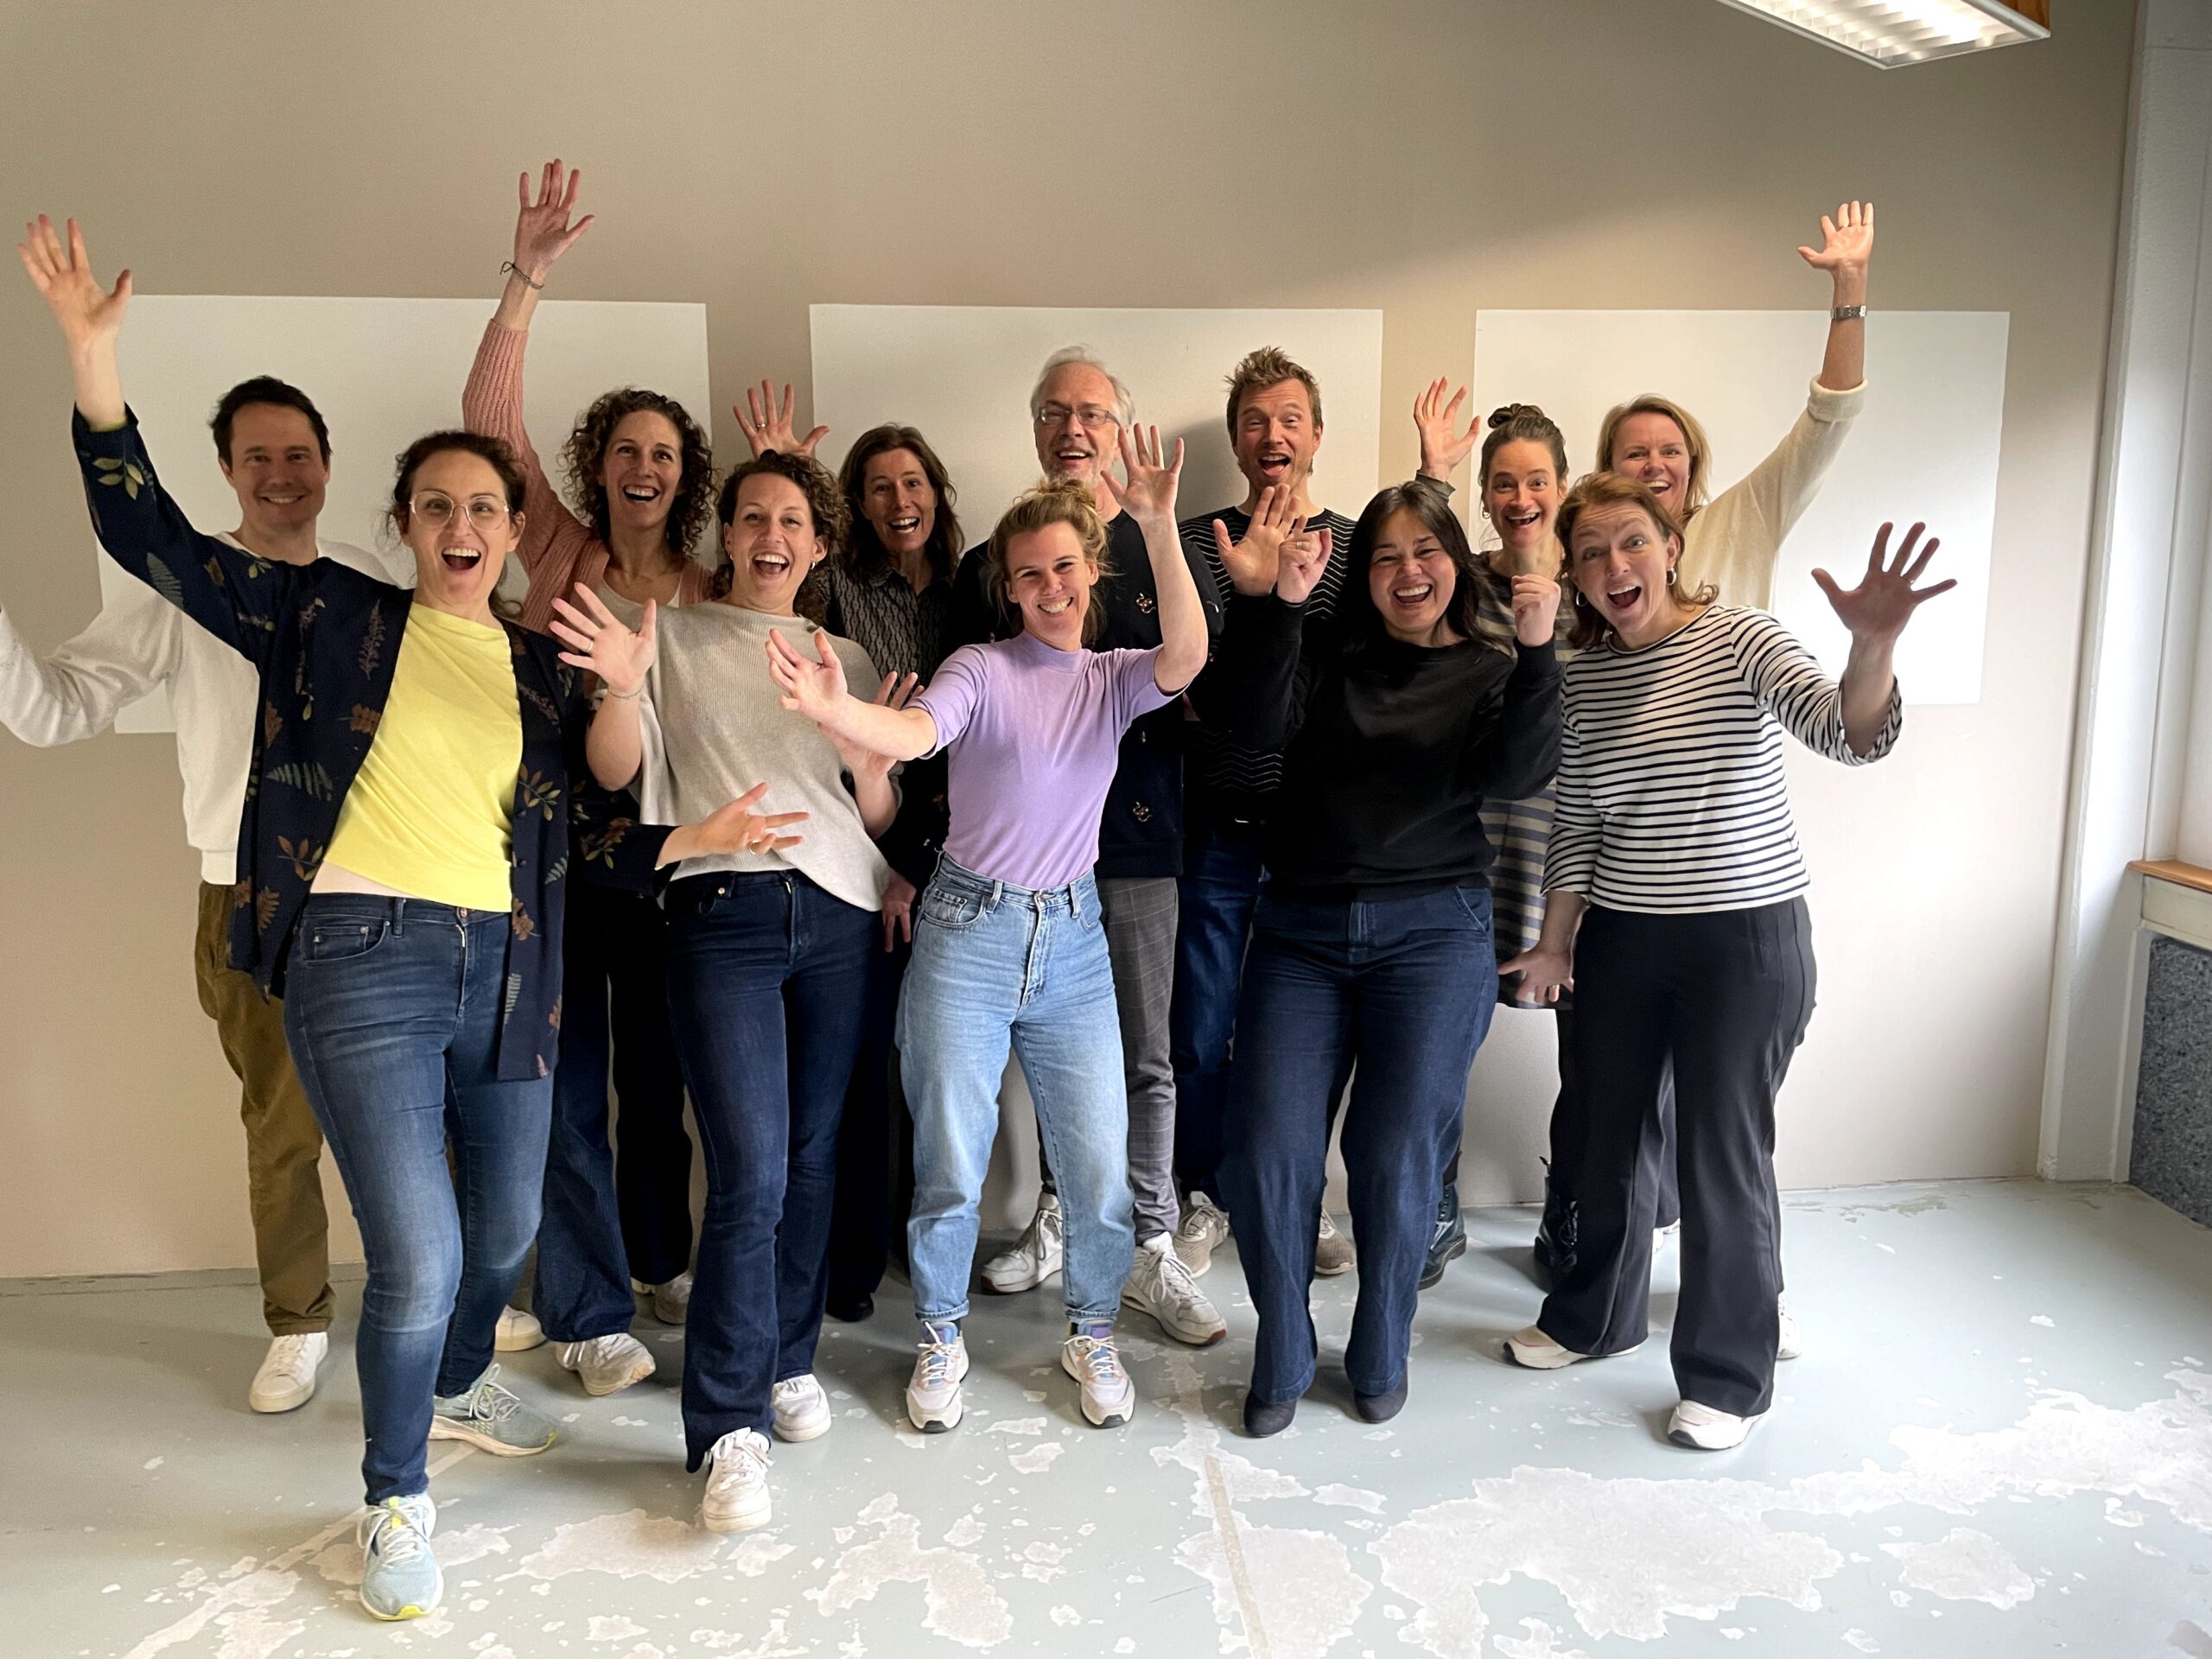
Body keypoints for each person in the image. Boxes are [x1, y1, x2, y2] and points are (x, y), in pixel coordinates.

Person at [25, 214, 787, 1621]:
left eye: (485, 508)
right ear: (407, 525)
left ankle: (459, 1381)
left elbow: (598, 822)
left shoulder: (544, 666)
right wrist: (93, 359)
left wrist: (684, 810)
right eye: (437, 506)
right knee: (422, 1255)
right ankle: (396, 1496)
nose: (462, 526)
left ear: (509, 533)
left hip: (506, 969)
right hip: (360, 957)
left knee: (503, 1234)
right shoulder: (328, 618)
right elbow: (149, 536)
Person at [1417, 200, 1878, 1291]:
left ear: (1673, 524)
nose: (1652, 469)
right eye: (1633, 456)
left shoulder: (1734, 563)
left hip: (1714, 879)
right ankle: (1577, 1270)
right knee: (1586, 1087)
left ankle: (1715, 1295)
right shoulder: (1556, 614)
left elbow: (1844, 726)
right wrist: (1432, 473)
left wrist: (1849, 295)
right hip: (1577, 869)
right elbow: (1560, 789)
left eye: (1668, 456)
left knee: (1705, 1124)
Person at [768, 429, 1209, 1433]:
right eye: (1029, 575)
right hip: (966, 931)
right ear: (1007, 589)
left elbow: (1187, 657)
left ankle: (1092, 1331)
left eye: (1064, 568)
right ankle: (940, 1333)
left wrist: (1156, 524)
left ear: (1090, 573)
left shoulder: (1112, 677)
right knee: (948, 1166)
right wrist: (839, 712)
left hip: (1075, 939)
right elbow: (916, 732)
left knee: (1096, 1170)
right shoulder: (979, 666)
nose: (1049, 587)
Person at [1504, 474, 1948, 1451]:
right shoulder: (1585, 677)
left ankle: (1727, 1377)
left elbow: (1849, 734)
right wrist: (1554, 939)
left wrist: (1873, 643)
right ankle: (1593, 1318)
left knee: (1719, 1157)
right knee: (1607, 1142)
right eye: (1590, 552)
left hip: (1743, 942)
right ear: (1574, 576)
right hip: (1624, 938)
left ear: (1671, 546)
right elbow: (1577, 821)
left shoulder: (1742, 638)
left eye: (1632, 541)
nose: (1614, 565)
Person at [0, 364, 408, 1416]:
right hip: (248, 899)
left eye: (298, 454)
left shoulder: (370, 583)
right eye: (257, 456)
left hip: (376, 895)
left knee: (411, 1116)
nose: (281, 474)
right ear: (226, 470)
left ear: (327, 466)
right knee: (282, 1126)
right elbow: (53, 709)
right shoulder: (184, 588)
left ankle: (438, 1301)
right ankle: (299, 1321)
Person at [555, 449, 902, 1533]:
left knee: (812, 1158)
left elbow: (872, 812)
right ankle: (727, 1427)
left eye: (792, 520)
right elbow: (613, 772)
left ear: (818, 544)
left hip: (838, 915)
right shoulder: (670, 636)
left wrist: (871, 765)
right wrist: (622, 685)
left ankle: (789, 1358)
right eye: (752, 517)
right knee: (749, 1172)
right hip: (721, 916)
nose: (770, 535)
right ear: (729, 535)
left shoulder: (845, 655)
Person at [1198, 476, 1562, 1436]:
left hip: (1434, 934)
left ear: (1455, 563)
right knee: (1266, 1147)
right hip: (1299, 932)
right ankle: (1283, 1342)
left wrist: (1537, 656)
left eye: (1427, 551)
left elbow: (1520, 773)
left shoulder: (1488, 668)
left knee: (1397, 1152)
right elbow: (1250, 726)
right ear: (1362, 573)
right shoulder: (1322, 648)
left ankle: (1381, 1337)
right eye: (1388, 556)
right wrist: (1278, 605)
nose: (1409, 572)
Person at [462, 160, 716, 1394]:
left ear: (685, 475)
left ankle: (659, 1259)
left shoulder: (711, 591)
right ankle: (586, 1310)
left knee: (659, 1082)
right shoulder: (557, 548)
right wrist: (526, 281)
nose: (644, 466)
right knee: (564, 1090)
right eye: (626, 448)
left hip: (671, 860)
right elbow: (488, 425)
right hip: (557, 855)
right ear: (598, 465)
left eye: (663, 452)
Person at [952, 348, 1227, 1350]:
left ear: (1118, 430)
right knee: (1046, 1054)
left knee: (1145, 1056)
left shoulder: (1161, 547)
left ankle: (1149, 1240)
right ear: (1034, 429)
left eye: (1093, 414)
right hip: (1025, 864)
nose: (1073, 429)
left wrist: (1157, 527)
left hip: (1138, 845)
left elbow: (1196, 672)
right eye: (1054, 412)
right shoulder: (991, 564)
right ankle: (1063, 1215)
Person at [1168, 347, 1362, 1282]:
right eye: (1254, 420)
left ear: (1316, 435)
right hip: (1214, 822)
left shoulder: (1356, 547)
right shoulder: (1197, 542)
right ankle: (1206, 1193)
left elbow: (1353, 684)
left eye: (1289, 418)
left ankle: (1295, 1194)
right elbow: (1183, 675)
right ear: (1237, 441)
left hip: (1317, 837)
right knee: (1202, 1030)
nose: (1272, 435)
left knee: (1305, 1035)